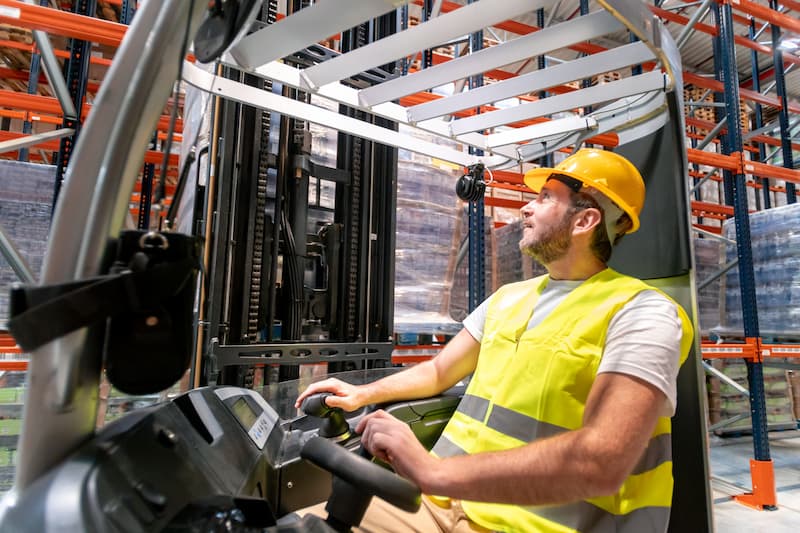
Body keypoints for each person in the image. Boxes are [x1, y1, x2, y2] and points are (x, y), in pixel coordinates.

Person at [296, 148, 694, 533]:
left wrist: (435, 471)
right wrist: (361, 394)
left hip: (535, 524)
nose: (526, 208)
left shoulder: (642, 313)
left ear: (584, 221)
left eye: (544, 198)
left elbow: (601, 461)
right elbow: (438, 371)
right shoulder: (509, 298)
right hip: (440, 505)